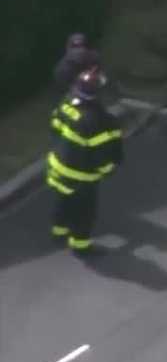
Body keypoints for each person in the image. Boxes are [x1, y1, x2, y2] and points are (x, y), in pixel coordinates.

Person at [47, 67, 123, 255]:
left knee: (63, 200)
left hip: (59, 165)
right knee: (84, 212)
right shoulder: (99, 120)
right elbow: (102, 155)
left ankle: (58, 232)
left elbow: (55, 128)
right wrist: (108, 169)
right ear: (97, 94)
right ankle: (80, 246)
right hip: (83, 176)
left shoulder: (66, 103)